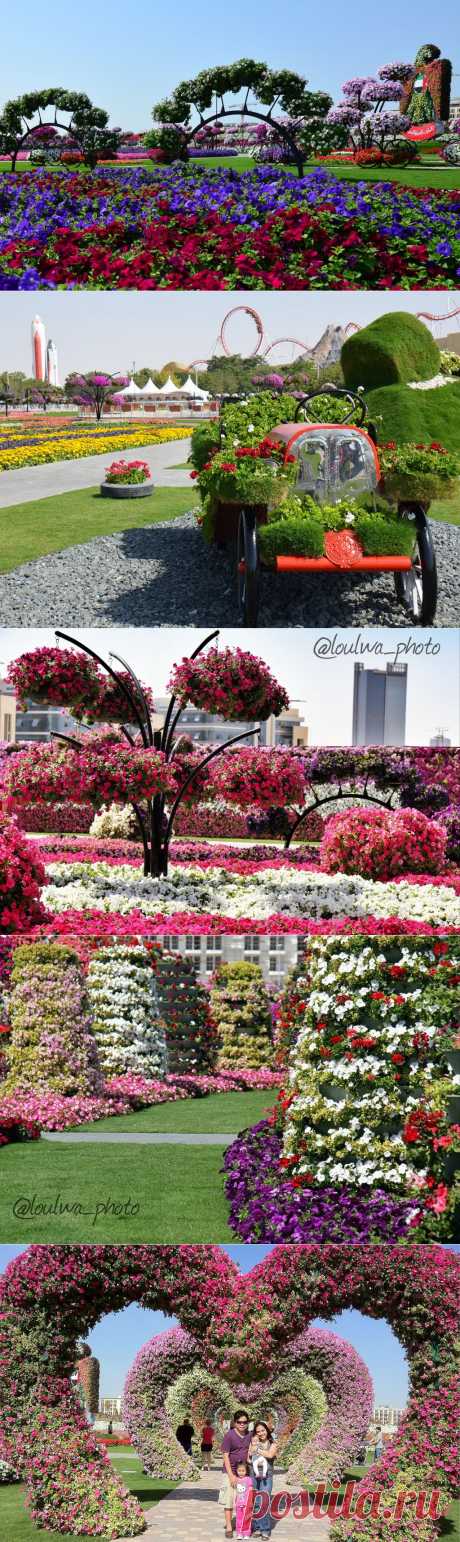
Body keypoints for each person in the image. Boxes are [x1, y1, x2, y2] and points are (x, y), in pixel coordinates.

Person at [220, 1410, 251, 1539]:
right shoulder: (230, 1435)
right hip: (230, 1472)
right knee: (229, 1499)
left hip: (244, 1474)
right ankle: (228, 1526)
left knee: (244, 1501)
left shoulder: (250, 1435)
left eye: (245, 1422)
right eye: (239, 1422)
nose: (242, 1424)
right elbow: (225, 1456)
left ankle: (243, 1525)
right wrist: (231, 1475)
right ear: (235, 1422)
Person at [249, 1420, 278, 1538]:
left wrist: (258, 1450)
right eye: (258, 1431)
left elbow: (270, 1455)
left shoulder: (273, 1443)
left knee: (264, 1501)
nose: (261, 1433)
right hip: (253, 1473)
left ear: (267, 1430)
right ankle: (256, 1528)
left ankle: (265, 1529)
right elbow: (249, 1454)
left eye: (262, 1430)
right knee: (255, 1501)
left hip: (267, 1475)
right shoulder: (253, 1442)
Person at [234, 1460, 253, 1541]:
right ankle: (239, 1533)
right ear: (237, 1471)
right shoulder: (236, 1479)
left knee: (247, 1519)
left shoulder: (248, 1479)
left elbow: (251, 1492)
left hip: (246, 1504)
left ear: (246, 1471)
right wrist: (234, 1501)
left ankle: (246, 1533)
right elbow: (235, 1491)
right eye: (239, 1471)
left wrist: (250, 1502)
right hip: (238, 1504)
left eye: (243, 1471)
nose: (241, 1472)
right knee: (238, 1519)